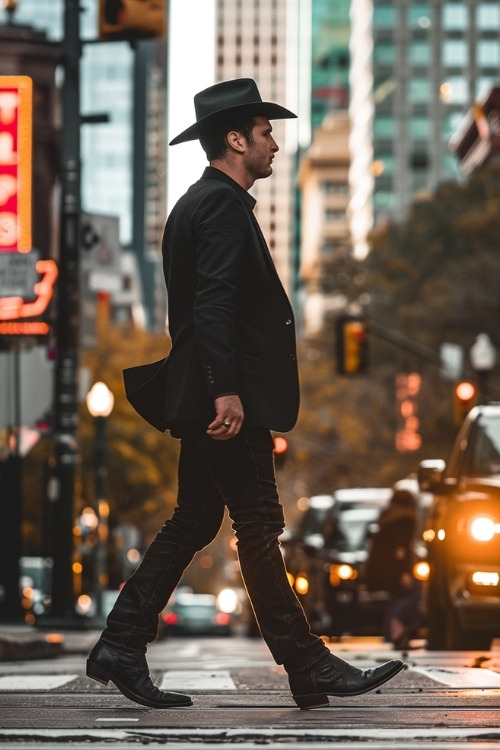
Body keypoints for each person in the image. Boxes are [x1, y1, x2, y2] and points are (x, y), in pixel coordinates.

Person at [86, 78, 405, 710]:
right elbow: (214, 305)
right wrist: (227, 392)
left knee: (197, 519)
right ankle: (307, 664)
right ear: (235, 139)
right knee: (259, 526)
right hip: (222, 399)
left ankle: (122, 641)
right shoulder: (224, 208)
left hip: (202, 392)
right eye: (265, 134)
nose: (275, 145)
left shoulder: (195, 206)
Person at [364, 489, 422, 649]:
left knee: (395, 597)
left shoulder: (386, 517)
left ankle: (391, 632)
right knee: (413, 592)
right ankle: (396, 628)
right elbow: (400, 549)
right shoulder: (406, 520)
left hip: (379, 569)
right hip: (394, 569)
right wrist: (404, 572)